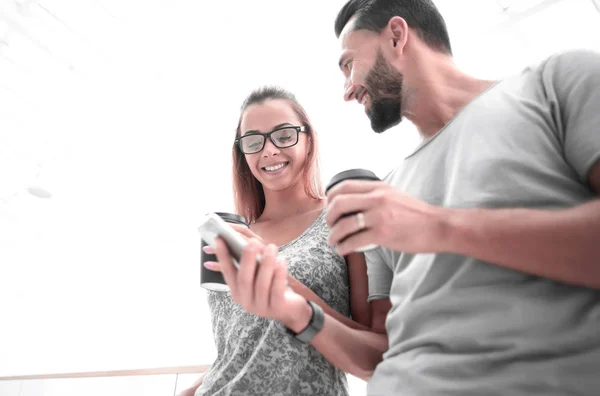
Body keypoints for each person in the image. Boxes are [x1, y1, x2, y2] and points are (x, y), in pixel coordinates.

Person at [211, 1, 600, 395]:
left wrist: (437, 226)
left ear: (396, 36)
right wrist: (295, 310)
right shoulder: (385, 195)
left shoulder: (556, 84)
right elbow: (379, 356)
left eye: (349, 64)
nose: (348, 90)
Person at [179, 86, 372, 396]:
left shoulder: (342, 216)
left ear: (308, 139)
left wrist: (282, 284)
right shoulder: (232, 235)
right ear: (242, 152)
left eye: (283, 136)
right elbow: (237, 347)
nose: (269, 150)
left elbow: (368, 348)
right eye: (253, 141)